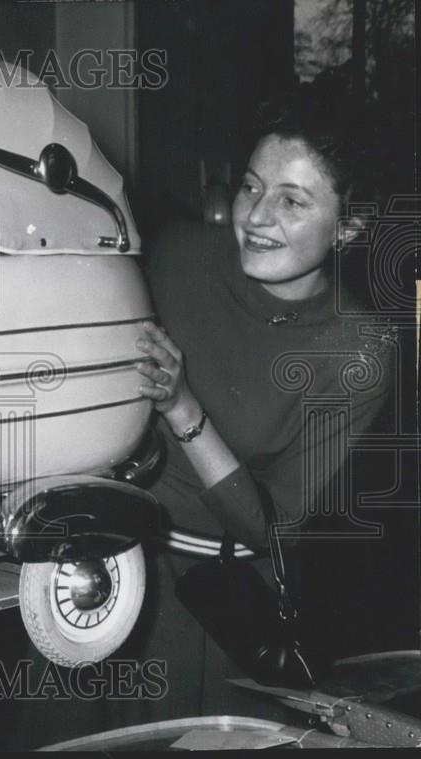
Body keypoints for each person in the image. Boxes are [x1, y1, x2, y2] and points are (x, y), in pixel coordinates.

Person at [125, 88, 398, 723]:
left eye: (292, 200)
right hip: (106, 561)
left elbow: (273, 531)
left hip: (214, 608)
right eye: (251, 188)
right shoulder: (179, 257)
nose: (256, 216)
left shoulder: (358, 347)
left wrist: (181, 407)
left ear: (348, 226)